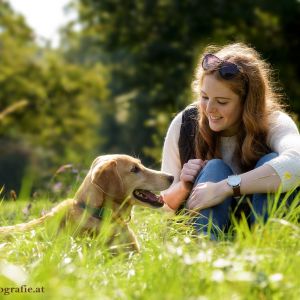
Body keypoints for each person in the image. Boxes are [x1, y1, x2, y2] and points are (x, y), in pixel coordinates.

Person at [161, 43, 300, 237]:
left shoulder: (273, 122)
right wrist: (184, 186)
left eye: (222, 101)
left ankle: (269, 251)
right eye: (204, 97)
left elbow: (296, 165)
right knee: (214, 168)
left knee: (271, 162)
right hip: (201, 234)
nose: (209, 108)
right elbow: (161, 208)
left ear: (247, 102)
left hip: (260, 231)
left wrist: (225, 188)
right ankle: (205, 251)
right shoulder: (185, 124)